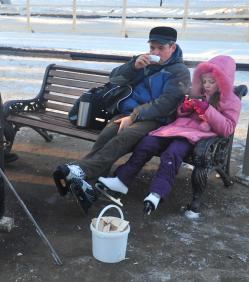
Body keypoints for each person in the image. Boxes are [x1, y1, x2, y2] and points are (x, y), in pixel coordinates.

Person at [52, 26, 191, 213]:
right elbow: (114, 78)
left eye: (160, 48)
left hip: (155, 118)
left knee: (123, 136)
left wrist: (134, 116)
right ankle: (84, 180)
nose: (155, 52)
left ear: (172, 47)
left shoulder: (179, 71)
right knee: (107, 134)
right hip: (128, 113)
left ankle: (80, 170)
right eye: (152, 48)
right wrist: (133, 66)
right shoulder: (144, 63)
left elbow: (167, 103)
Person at [98, 55, 241, 215]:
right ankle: (122, 180)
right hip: (175, 128)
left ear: (223, 82)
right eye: (204, 81)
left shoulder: (231, 101)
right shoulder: (198, 91)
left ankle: (157, 193)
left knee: (172, 154)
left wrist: (207, 109)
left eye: (211, 82)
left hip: (195, 136)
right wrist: (184, 109)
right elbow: (180, 113)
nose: (206, 85)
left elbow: (228, 128)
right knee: (147, 143)